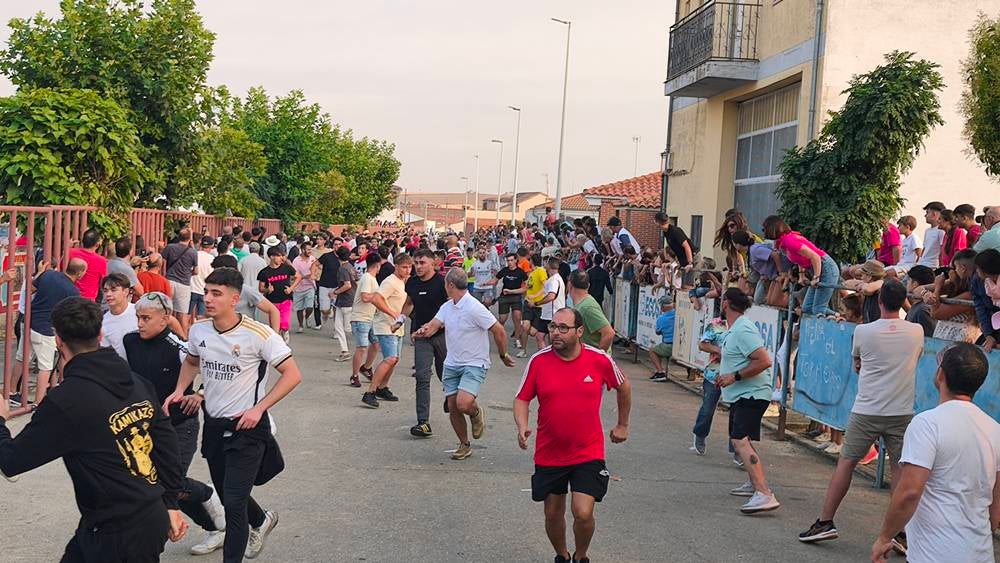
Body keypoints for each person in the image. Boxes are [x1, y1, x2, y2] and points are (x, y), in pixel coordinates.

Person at [0, 296, 187, 561]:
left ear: (58, 340)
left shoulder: (66, 400)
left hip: (120, 532)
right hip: (120, 521)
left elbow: (11, 460)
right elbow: (167, 446)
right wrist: (169, 502)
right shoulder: (137, 382)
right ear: (100, 334)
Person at [164, 267, 302, 562]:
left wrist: (259, 408)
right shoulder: (200, 330)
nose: (209, 299)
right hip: (213, 427)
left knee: (234, 504)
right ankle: (263, 521)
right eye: (207, 292)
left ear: (235, 298)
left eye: (217, 294)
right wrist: (180, 389)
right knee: (229, 495)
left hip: (247, 429)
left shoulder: (258, 334)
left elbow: (292, 374)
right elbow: (191, 361)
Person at [799, 280, 923, 545]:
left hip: (867, 408)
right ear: (903, 302)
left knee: (846, 463)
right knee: (899, 470)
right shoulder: (916, 331)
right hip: (901, 410)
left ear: (879, 302)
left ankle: (825, 521)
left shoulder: (864, 331)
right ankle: (900, 532)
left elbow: (858, 360)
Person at [514, 307, 631, 563]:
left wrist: (622, 424)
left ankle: (581, 555)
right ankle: (562, 555)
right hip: (550, 451)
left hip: (587, 450)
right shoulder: (539, 361)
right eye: (553, 327)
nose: (556, 332)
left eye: (563, 328)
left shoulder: (599, 359)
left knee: (583, 512)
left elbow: (624, 387)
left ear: (579, 332)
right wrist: (522, 426)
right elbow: (522, 398)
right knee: (553, 514)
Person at [870, 343, 1000, 563]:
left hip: (935, 553)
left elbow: (909, 491)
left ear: (941, 374)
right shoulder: (994, 429)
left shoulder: (927, 424)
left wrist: (884, 537)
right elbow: (995, 506)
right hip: (980, 552)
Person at [124, 292, 227, 556]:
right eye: (138, 317)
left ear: (165, 318)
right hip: (144, 426)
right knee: (154, 482)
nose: (140, 324)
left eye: (146, 318)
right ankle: (206, 504)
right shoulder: (130, 341)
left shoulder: (178, 346)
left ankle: (211, 509)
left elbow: (215, 366)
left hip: (181, 424)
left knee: (171, 483)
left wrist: (199, 394)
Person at [413, 268, 514, 459]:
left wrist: (503, 354)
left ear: (450, 286)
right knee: (452, 406)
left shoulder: (474, 307)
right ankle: (464, 444)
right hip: (452, 362)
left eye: (445, 284)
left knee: (463, 403)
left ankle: (475, 412)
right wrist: (422, 331)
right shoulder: (447, 306)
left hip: (474, 362)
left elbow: (499, 331)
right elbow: (434, 325)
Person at [715, 288, 778, 514]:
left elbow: (763, 361)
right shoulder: (736, 329)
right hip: (742, 394)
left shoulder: (742, 329)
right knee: (739, 440)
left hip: (751, 394)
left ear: (725, 303)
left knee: (740, 440)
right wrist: (726, 373)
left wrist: (734, 376)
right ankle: (754, 483)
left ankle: (764, 492)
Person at [11, 259, 85, 407]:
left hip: (28, 321)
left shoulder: (49, 274)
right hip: (45, 328)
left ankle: (11, 392)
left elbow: (30, 289)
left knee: (21, 358)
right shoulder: (73, 291)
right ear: (80, 273)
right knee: (46, 366)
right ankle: (39, 402)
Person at [402, 249, 449, 437]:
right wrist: (400, 319)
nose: (418, 266)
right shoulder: (412, 283)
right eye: (416, 263)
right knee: (422, 376)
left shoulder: (442, 283)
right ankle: (423, 422)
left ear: (433, 263)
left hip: (443, 335)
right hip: (422, 337)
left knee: (446, 374)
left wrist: (437, 325)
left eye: (422, 263)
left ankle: (451, 398)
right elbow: (408, 304)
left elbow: (452, 308)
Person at [362, 254, 413, 408]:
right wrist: (393, 314)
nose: (407, 270)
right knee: (390, 358)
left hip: (397, 326)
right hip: (385, 325)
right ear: (396, 266)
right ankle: (370, 392)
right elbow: (376, 299)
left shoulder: (403, 282)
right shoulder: (390, 281)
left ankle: (382, 388)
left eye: (410, 267)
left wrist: (401, 317)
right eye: (404, 267)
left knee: (394, 359)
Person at [763, 215, 840, 317]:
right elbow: (799, 258)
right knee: (807, 308)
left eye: (765, 228)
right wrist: (802, 275)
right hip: (816, 268)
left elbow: (815, 257)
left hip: (825, 267)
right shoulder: (784, 242)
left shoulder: (790, 241)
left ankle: (838, 316)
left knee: (818, 308)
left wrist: (816, 277)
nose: (764, 231)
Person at [213, 255, 281, 333]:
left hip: (244, 334)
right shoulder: (213, 291)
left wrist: (275, 336)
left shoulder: (245, 290)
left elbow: (273, 310)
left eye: (217, 272)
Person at [691, 315, 729, 455]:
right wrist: (720, 351)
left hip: (737, 376)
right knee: (708, 408)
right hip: (714, 374)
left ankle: (739, 450)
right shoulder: (715, 325)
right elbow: (703, 344)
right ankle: (700, 434)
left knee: (738, 413)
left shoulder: (744, 326)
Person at [350, 253, 384, 388]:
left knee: (376, 344)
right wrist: (378, 297)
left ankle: (366, 367)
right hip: (360, 318)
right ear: (378, 265)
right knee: (361, 348)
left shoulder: (372, 279)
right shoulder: (367, 278)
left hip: (370, 318)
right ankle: (354, 375)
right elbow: (365, 297)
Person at [257, 246, 299, 343]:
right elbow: (260, 288)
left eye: (282, 256)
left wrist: (291, 288)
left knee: (284, 323)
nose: (282, 258)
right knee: (275, 328)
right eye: (279, 256)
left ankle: (285, 332)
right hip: (272, 302)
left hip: (286, 299)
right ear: (272, 257)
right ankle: (277, 344)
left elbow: (298, 277)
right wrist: (267, 289)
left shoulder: (287, 268)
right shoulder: (264, 272)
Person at [162, 228, 199, 334]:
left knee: (166, 310)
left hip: (169, 281)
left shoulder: (169, 247)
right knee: (182, 314)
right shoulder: (193, 252)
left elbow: (163, 263)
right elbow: (196, 271)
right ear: (189, 238)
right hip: (184, 284)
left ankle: (166, 333)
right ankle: (183, 337)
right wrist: (188, 273)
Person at [569, 270, 614, 352]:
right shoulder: (582, 304)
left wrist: (598, 357)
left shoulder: (587, 307)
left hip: (593, 359)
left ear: (570, 285)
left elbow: (609, 333)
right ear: (588, 286)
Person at [99, 273, 138, 360]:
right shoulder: (103, 322)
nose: (108, 294)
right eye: (105, 291)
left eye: (113, 290)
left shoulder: (139, 311)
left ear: (126, 292)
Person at [330, 246, 358, 362]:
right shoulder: (351, 267)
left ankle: (362, 345)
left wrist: (335, 292)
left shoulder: (342, 269)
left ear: (337, 255)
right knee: (340, 327)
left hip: (346, 300)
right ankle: (344, 350)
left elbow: (347, 285)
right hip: (349, 299)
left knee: (347, 328)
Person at [654, 213, 697, 287]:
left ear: (657, 222)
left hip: (692, 256)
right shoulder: (666, 232)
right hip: (683, 259)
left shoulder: (675, 231)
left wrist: (690, 263)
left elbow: (687, 246)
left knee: (690, 283)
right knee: (681, 282)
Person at [496, 253, 529, 349]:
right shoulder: (504, 271)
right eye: (508, 261)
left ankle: (517, 338)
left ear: (515, 261)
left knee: (517, 318)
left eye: (511, 260)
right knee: (502, 319)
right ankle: (500, 335)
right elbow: (495, 279)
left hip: (516, 297)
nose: (509, 263)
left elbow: (526, 286)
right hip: (505, 297)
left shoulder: (521, 272)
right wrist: (487, 283)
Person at [534, 257, 567, 350]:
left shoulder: (554, 280)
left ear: (549, 265)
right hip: (550, 313)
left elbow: (551, 296)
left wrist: (537, 303)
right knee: (545, 337)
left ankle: (546, 357)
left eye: (546, 262)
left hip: (551, 314)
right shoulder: (556, 278)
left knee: (542, 336)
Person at [68, 228, 106, 301]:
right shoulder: (101, 261)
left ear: (82, 241)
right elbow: (103, 281)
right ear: (97, 244)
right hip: (89, 299)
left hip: (70, 296)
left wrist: (68, 247)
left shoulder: (71, 252)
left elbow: (60, 267)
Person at [290, 241, 319, 333]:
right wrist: (305, 276)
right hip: (298, 287)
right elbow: (295, 275)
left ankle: (307, 316)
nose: (310, 251)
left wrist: (313, 274)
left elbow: (315, 270)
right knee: (299, 308)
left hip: (310, 286)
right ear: (302, 250)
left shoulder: (313, 259)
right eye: (308, 249)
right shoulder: (296, 260)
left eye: (311, 249)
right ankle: (300, 325)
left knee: (310, 307)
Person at [316, 242, 343, 334]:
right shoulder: (327, 256)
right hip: (324, 285)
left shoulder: (343, 256)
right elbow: (315, 264)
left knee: (337, 310)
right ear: (333, 246)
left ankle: (336, 330)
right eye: (335, 244)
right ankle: (326, 313)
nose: (337, 246)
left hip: (337, 286)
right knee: (324, 309)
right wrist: (313, 274)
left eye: (339, 244)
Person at [903, 265, 938, 337]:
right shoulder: (917, 305)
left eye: (909, 280)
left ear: (915, 284)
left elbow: (929, 338)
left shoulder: (923, 310)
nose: (906, 283)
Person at [649, 295, 675, 382]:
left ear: (663, 307)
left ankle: (660, 372)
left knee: (652, 350)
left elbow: (658, 332)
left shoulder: (661, 318)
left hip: (669, 345)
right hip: (680, 346)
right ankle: (659, 371)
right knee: (658, 348)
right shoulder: (678, 314)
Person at [190, 236, 216, 320]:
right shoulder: (212, 259)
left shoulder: (194, 254)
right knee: (201, 317)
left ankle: (185, 332)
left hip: (192, 288)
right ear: (212, 246)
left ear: (201, 244)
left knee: (186, 315)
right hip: (204, 290)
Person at [917, 201, 945, 269]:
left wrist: (941, 268)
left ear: (934, 214)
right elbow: (924, 248)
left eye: (927, 213)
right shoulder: (927, 231)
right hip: (922, 263)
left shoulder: (941, 231)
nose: (925, 215)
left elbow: (942, 251)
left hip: (932, 266)